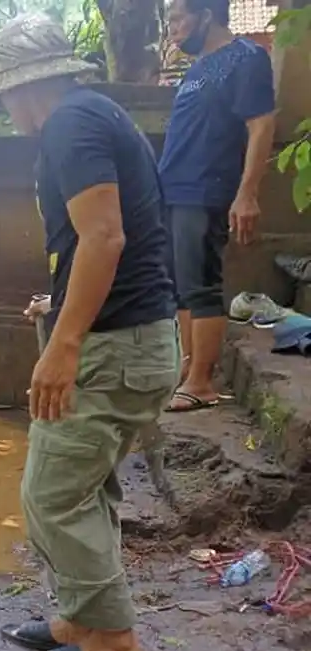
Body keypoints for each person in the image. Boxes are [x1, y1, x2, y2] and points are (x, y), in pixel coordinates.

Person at [0, 16, 180, 651]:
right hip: (132, 339)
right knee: (83, 488)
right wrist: (61, 305)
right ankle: (80, 620)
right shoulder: (91, 117)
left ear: (22, 85)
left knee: (54, 494)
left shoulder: (71, 124)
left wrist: (63, 346)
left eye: (3, 95)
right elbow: (103, 240)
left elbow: (105, 238)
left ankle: (115, 647)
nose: (4, 109)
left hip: (114, 348)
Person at [158, 0, 276, 412]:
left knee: (201, 282)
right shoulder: (197, 68)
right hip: (174, 188)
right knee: (180, 286)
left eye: (178, 18)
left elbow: (261, 125)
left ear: (206, 15)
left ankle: (202, 382)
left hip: (207, 185)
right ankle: (187, 368)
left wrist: (247, 193)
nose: (172, 28)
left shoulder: (246, 57)